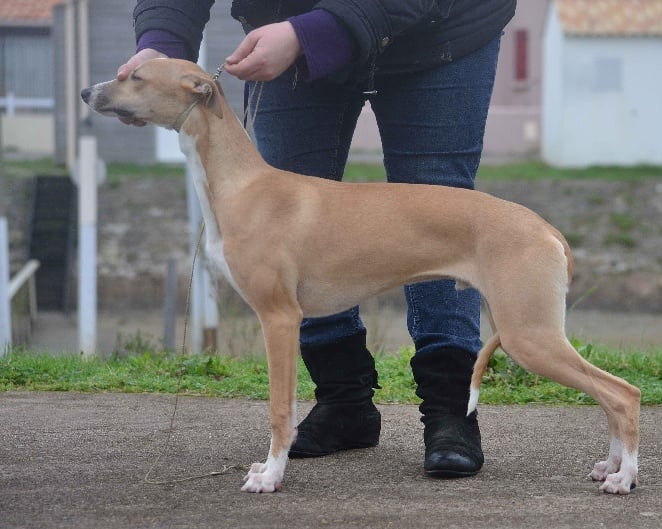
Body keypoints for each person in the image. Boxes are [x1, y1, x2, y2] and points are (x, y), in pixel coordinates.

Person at [119, 0, 516, 478]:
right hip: (284, 34)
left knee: (441, 205)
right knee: (287, 214)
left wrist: (314, 31)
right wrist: (160, 51)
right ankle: (343, 401)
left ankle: (453, 409)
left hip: (441, 30)